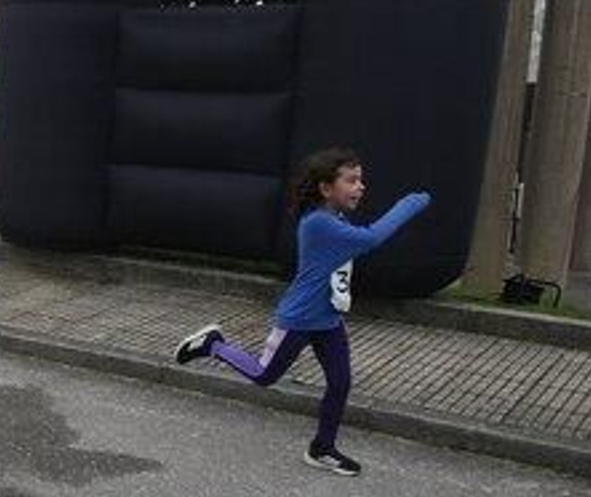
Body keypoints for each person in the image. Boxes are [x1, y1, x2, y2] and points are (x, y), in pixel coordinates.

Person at [174, 148, 431, 476]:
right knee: (264, 375)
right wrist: (409, 204)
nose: (361, 187)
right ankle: (212, 344)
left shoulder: (335, 218)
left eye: (361, 180)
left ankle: (322, 448)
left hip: (328, 320)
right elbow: (371, 238)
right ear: (326, 188)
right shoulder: (320, 225)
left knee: (340, 383)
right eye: (351, 180)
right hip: (298, 319)